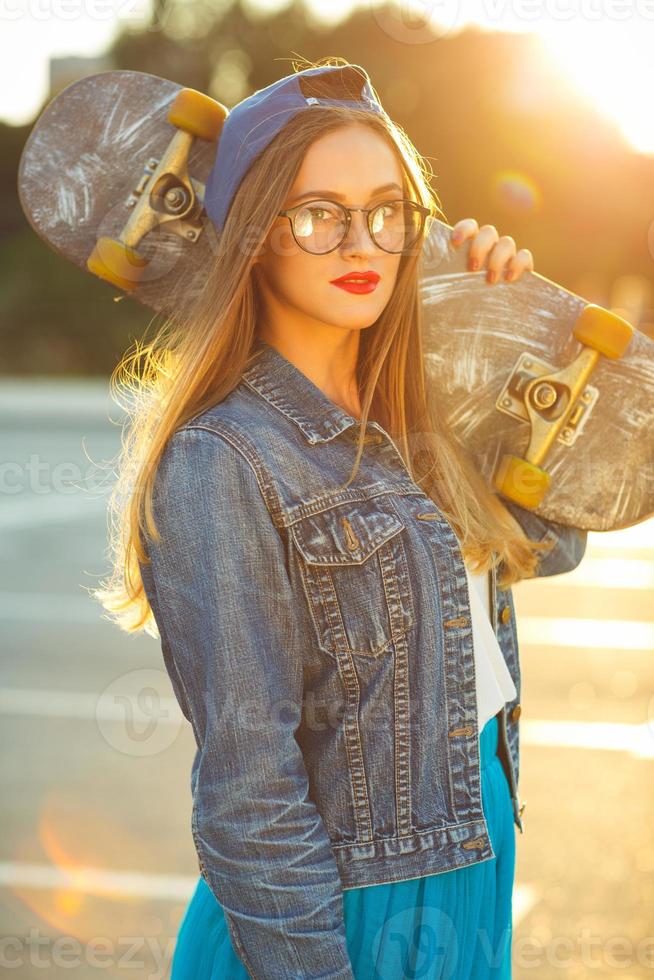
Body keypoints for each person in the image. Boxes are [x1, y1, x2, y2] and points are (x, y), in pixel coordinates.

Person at [92, 58, 587, 979]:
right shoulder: (222, 457)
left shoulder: (416, 418)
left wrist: (506, 336)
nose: (361, 241)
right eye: (318, 214)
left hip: (475, 866)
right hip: (334, 915)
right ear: (254, 234)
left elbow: (552, 540)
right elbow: (249, 794)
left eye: (388, 210)